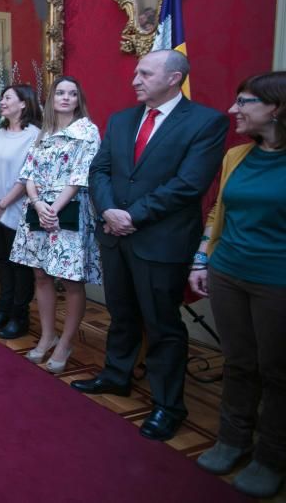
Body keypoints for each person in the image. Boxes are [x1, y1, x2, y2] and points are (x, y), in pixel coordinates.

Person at [74, 50, 228, 442]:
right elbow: (100, 169)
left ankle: (167, 405)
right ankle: (116, 375)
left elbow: (189, 184)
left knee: (162, 325)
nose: (135, 80)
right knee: (121, 312)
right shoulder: (122, 119)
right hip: (116, 235)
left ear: (174, 78)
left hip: (160, 241)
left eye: (145, 73)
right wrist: (109, 209)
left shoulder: (206, 122)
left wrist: (133, 215)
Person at [190, 71, 286, 498]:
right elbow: (217, 213)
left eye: (244, 102)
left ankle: (271, 456)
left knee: (277, 372)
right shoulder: (237, 156)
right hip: (228, 271)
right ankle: (232, 440)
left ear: (276, 108)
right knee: (239, 361)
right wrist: (202, 258)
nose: (234, 111)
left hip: (277, 282)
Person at [9, 76, 100, 374]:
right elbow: (29, 172)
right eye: (60, 92)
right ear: (51, 99)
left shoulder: (86, 131)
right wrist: (37, 203)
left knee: (71, 279)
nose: (65, 97)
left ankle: (66, 342)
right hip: (38, 208)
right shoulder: (44, 132)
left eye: (72, 93)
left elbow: (80, 174)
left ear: (78, 99)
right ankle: (49, 335)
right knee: (40, 274)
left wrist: (54, 208)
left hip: (69, 208)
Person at [0, 84, 42, 339]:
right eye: (2, 98)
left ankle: (19, 317)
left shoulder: (34, 135)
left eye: (7, 98)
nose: (2, 102)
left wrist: (1, 204)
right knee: (3, 264)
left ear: (23, 103)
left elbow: (26, 178)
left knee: (20, 267)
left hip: (16, 210)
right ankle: (3, 310)